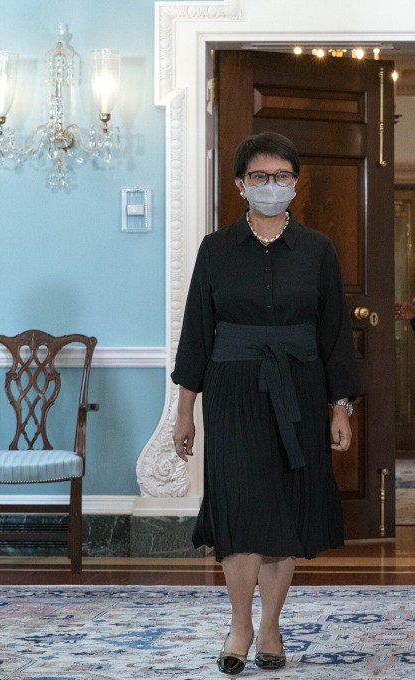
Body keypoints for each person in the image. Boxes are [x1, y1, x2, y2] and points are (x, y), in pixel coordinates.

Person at [171, 131, 359, 676]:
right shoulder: (215, 249)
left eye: (281, 176)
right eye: (259, 177)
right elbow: (196, 334)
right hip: (231, 394)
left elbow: (334, 335)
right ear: (239, 185)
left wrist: (340, 405)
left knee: (283, 513)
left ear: (295, 185)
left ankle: (272, 625)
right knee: (239, 511)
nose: (271, 185)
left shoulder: (318, 249)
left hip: (298, 394)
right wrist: (185, 411)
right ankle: (239, 625)